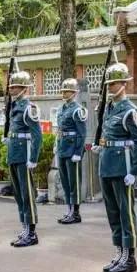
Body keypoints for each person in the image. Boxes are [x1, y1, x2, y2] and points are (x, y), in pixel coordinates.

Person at [92, 62, 137, 272]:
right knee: (113, 212)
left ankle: (130, 257)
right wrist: (100, 146)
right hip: (107, 166)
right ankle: (119, 251)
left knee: (126, 213)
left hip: (122, 169)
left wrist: (134, 172)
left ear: (124, 84)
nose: (110, 86)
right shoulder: (109, 109)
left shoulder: (131, 112)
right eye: (109, 83)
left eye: (114, 83)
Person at [4, 70, 42, 247]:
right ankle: (25, 227)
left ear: (24, 88)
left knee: (27, 194)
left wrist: (33, 158)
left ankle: (32, 232)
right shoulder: (14, 107)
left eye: (15, 86)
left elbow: (37, 136)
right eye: (11, 86)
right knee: (19, 194)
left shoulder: (29, 108)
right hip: (14, 155)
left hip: (24, 156)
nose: (12, 89)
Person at [56, 78, 87, 225]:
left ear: (74, 93)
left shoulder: (78, 110)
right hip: (62, 148)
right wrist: (57, 145)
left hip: (72, 149)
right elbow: (60, 130)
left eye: (67, 91)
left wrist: (78, 152)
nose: (64, 93)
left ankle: (75, 213)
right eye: (63, 90)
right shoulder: (63, 108)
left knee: (74, 182)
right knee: (65, 182)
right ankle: (68, 210)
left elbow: (81, 133)